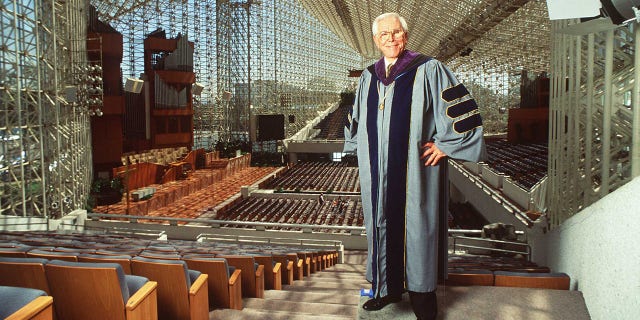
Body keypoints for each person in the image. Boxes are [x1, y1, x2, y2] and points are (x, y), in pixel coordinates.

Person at [343, 12, 486, 320]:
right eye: (384, 34)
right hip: (376, 171)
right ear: (375, 40)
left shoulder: (429, 69)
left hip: (414, 171)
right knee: (380, 225)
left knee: (417, 229)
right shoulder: (368, 76)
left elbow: (462, 111)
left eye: (396, 33)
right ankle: (386, 290)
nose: (391, 38)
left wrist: (445, 145)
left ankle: (423, 303)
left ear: (405, 36)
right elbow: (355, 117)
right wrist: (356, 148)